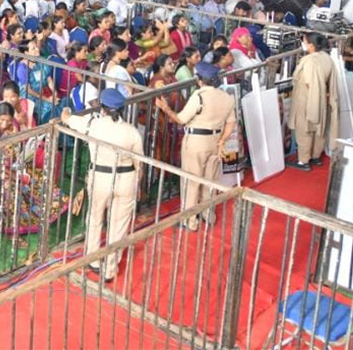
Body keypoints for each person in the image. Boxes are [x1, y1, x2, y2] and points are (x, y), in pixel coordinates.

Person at [60, 89, 143, 281]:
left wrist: (65, 110)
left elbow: (67, 118)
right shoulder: (131, 132)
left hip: (100, 177)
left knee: (96, 218)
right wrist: (137, 185)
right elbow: (139, 163)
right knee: (118, 226)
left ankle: (94, 259)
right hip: (126, 178)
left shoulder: (92, 124)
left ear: (101, 108)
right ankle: (110, 269)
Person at [154, 62, 236, 230]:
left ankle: (190, 220)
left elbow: (181, 119)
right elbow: (231, 123)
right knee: (210, 180)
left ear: (199, 80)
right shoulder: (227, 97)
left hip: (196, 140)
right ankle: (208, 214)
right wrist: (222, 140)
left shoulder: (199, 96)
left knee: (191, 180)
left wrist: (166, 109)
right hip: (216, 140)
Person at [288, 33, 339, 171]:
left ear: (311, 45)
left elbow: (311, 83)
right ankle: (316, 156)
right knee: (318, 129)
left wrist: (315, 96)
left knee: (304, 130)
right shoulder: (326, 58)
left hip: (307, 99)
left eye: (304, 41)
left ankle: (303, 161)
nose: (302, 43)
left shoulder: (309, 61)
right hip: (321, 99)